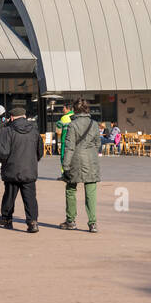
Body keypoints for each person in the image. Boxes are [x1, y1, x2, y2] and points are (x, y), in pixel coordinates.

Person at [0, 105, 39, 232]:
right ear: (25, 117)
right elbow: (40, 151)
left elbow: (3, 152)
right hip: (29, 169)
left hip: (11, 169)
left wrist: (2, 161)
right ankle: (32, 222)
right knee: (30, 197)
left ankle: (7, 219)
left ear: (12, 117)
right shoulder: (34, 130)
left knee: (9, 195)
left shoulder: (7, 131)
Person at [59, 98, 101, 233]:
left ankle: (71, 220)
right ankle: (92, 223)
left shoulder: (73, 125)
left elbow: (69, 147)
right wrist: (90, 152)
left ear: (75, 110)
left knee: (71, 189)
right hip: (91, 160)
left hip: (75, 160)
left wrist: (65, 166)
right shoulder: (94, 124)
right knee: (91, 191)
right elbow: (97, 144)